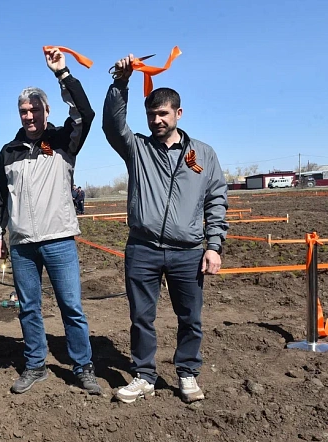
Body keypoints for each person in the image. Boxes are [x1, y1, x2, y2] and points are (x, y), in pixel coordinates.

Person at [102, 54, 228, 404]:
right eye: (152, 115)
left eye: (163, 114)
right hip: (142, 247)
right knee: (141, 317)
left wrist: (214, 245)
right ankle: (144, 375)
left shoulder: (203, 154)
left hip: (187, 251)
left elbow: (216, 199)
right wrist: (121, 83)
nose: (157, 120)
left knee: (191, 317)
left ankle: (187, 373)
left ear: (178, 114)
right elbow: (113, 125)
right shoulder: (138, 149)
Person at [0, 47, 101, 395]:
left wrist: (62, 73)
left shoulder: (63, 140)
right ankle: (35, 365)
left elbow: (86, 111)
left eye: (35, 109)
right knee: (29, 309)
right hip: (22, 244)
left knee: (72, 307)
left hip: (59, 239)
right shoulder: (9, 151)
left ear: (47, 110)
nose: (29, 115)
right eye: (24, 111)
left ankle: (83, 367)